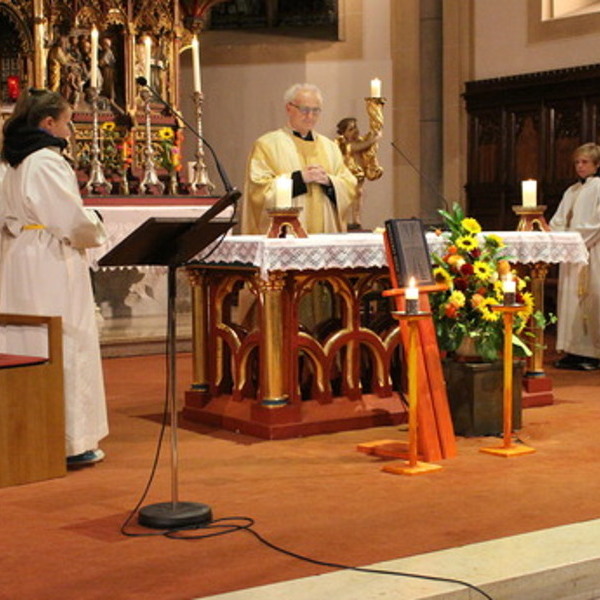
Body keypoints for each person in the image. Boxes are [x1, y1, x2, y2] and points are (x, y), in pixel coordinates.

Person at [0, 89, 109, 465]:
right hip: (50, 260)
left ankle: (30, 433)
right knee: (65, 339)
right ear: (48, 123)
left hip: (20, 258)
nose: (71, 130)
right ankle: (70, 441)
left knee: (28, 340)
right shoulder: (46, 160)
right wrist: (95, 223)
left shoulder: (14, 161)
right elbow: (71, 221)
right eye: (67, 122)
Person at [242, 83, 357, 234]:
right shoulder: (267, 145)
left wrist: (329, 182)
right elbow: (258, 191)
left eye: (315, 110)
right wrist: (298, 179)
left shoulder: (330, 147)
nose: (310, 116)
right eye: (304, 110)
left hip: (325, 235)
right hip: (286, 235)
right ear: (289, 108)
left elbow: (349, 185)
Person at [550, 142, 600, 371]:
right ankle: (572, 349)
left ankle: (592, 352)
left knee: (589, 299)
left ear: (596, 165)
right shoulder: (571, 191)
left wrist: (574, 239)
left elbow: (596, 224)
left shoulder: (598, 187)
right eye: (577, 162)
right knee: (569, 300)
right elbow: (558, 220)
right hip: (571, 254)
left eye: (585, 162)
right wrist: (555, 234)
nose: (580, 166)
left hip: (592, 251)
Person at [335, 117, 382, 228]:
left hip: (359, 176)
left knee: (359, 196)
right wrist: (375, 139)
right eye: (351, 129)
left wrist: (375, 130)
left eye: (355, 127)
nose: (355, 131)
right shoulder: (347, 146)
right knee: (350, 198)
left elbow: (366, 142)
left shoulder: (359, 141)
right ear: (344, 133)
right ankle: (346, 220)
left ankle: (356, 220)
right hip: (349, 177)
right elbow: (362, 146)